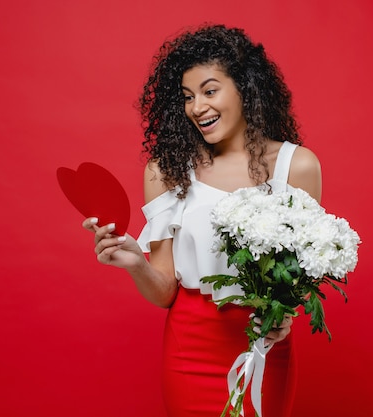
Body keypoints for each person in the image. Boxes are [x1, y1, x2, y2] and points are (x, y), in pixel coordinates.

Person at [82, 24, 322, 417]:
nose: (197, 107)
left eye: (210, 91)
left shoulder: (296, 165)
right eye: (188, 97)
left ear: (246, 88)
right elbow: (164, 292)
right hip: (189, 349)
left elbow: (302, 274)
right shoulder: (167, 171)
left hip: (263, 347)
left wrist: (287, 314)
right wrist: (136, 262)